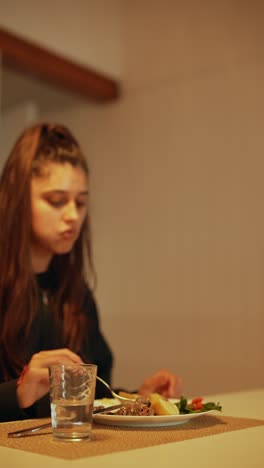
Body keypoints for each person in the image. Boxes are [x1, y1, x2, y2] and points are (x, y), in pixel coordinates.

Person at [0, 123, 182, 422]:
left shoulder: (75, 294)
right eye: (56, 201)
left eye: (81, 202)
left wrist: (136, 397)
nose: (73, 215)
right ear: (17, 201)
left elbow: (91, 396)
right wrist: (16, 393)